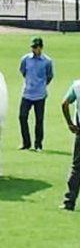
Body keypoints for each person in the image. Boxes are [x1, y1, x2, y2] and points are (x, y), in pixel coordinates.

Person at [20, 36, 53, 151]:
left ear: (41, 48)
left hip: (40, 95)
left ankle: (38, 144)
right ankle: (26, 143)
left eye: (36, 47)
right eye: (33, 47)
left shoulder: (47, 61)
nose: (34, 50)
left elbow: (49, 76)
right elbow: (23, 72)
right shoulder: (25, 59)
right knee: (22, 117)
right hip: (27, 93)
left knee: (39, 120)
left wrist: (41, 85)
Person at [60, 74, 80, 210]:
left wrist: (70, 124)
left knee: (76, 167)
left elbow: (65, 103)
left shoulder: (77, 85)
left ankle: (69, 201)